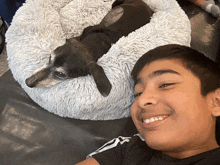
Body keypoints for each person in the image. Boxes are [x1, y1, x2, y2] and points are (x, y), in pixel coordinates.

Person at [76, 44, 220, 165]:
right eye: (138, 93)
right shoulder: (127, 149)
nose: (142, 100)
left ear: (216, 102)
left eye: (165, 84)